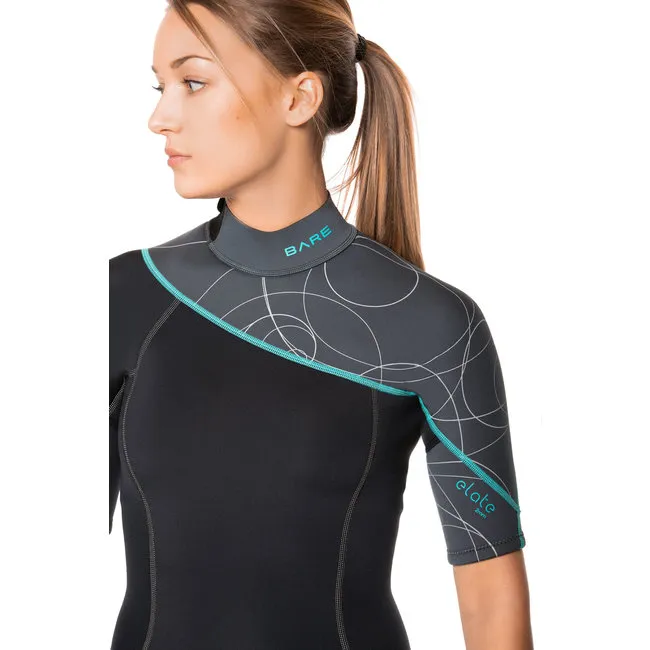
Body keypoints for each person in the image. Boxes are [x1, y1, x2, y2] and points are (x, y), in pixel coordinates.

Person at [109, 1, 533, 648]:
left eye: (193, 82)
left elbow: (490, 605)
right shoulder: (125, 296)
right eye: (160, 86)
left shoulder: (432, 323)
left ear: (299, 97)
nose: (160, 117)